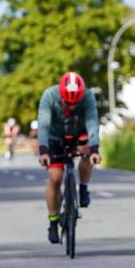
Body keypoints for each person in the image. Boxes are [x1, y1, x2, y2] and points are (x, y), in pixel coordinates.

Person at [37, 72, 101, 244]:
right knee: (56, 178)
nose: (71, 107)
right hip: (55, 138)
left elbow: (92, 123)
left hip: (78, 134)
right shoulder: (49, 96)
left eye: (75, 103)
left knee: (88, 151)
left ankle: (84, 187)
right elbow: (43, 125)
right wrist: (43, 151)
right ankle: (53, 222)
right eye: (68, 102)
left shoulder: (87, 97)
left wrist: (94, 150)